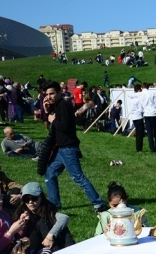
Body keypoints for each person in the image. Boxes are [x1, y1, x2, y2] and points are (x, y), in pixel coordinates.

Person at [41, 81, 107, 213]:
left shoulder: (64, 106)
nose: (49, 96)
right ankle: (54, 205)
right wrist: (47, 111)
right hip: (61, 149)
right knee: (50, 175)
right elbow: (51, 125)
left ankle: (99, 203)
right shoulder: (56, 106)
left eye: (52, 93)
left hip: (68, 148)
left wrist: (53, 119)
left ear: (59, 92)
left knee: (78, 177)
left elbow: (65, 127)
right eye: (47, 94)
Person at [15, 182, 73, 254]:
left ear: (41, 198)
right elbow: (17, 236)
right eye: (26, 199)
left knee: (62, 227)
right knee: (42, 222)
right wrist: (22, 223)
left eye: (34, 198)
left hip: (47, 241)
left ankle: (72, 252)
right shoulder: (21, 212)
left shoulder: (47, 209)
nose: (30, 202)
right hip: (30, 246)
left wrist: (50, 236)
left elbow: (64, 218)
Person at [138, 83, 156, 152]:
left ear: (142, 87)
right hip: (153, 113)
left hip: (146, 113)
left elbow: (141, 105)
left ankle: (152, 148)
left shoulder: (141, 94)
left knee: (149, 132)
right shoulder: (153, 93)